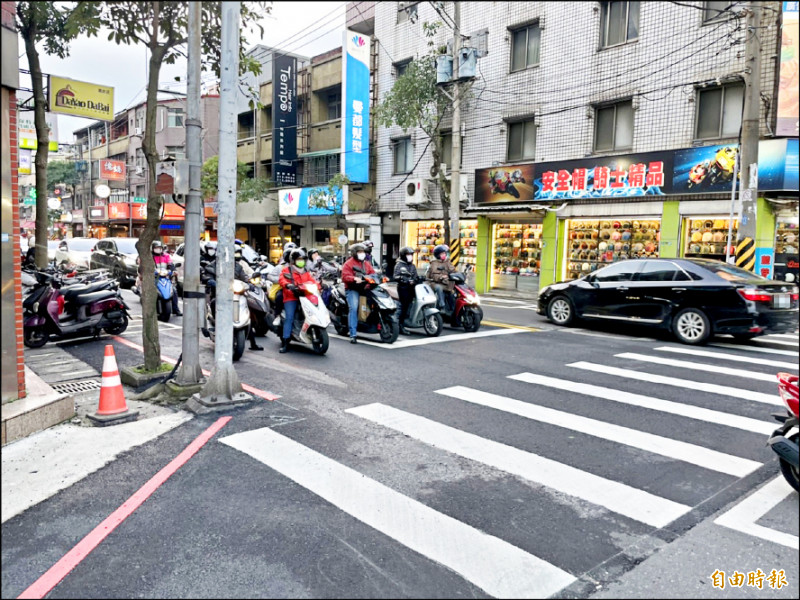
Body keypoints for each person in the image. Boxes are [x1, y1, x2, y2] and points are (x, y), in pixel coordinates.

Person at [277, 248, 315, 353]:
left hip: (305, 296)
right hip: (291, 297)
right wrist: (287, 284)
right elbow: (281, 280)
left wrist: (320, 286)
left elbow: (312, 281)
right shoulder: (286, 270)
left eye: (303, 259)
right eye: (299, 259)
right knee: (289, 318)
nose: (301, 261)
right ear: (293, 260)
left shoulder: (306, 271)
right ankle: (285, 341)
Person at [340, 242, 374, 344]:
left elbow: (372, 273)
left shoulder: (366, 263)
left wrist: (376, 277)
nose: (362, 253)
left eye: (363, 252)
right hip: (352, 289)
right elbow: (344, 277)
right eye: (359, 252)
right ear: (355, 253)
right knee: (353, 308)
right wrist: (354, 278)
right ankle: (353, 334)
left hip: (364, 288)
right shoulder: (348, 263)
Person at [392, 246, 418, 335]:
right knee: (404, 306)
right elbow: (395, 276)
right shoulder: (399, 265)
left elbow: (415, 276)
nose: (410, 256)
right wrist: (403, 279)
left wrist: (415, 280)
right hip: (403, 288)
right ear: (403, 255)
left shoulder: (412, 266)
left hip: (412, 288)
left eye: (411, 254)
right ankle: (400, 324)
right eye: (408, 254)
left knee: (411, 305)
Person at [152, 240, 182, 316]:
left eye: (159, 248)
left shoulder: (166, 256)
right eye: (156, 248)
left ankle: (176, 309)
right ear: (153, 248)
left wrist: (174, 270)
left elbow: (170, 264)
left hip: (165, 277)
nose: (158, 249)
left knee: (174, 291)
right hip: (153, 278)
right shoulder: (150, 257)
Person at [427, 244, 456, 313]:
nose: (444, 255)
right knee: (439, 288)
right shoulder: (434, 263)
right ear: (437, 254)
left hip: (446, 282)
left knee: (452, 293)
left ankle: (453, 310)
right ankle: (441, 304)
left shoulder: (447, 261)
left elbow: (453, 270)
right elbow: (433, 275)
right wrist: (441, 277)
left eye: (445, 253)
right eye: (442, 253)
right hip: (435, 283)